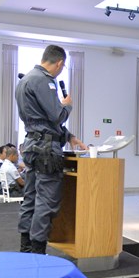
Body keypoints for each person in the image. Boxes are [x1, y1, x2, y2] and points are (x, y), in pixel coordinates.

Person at [15, 45, 85, 254]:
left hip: (32, 145)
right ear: (59, 63)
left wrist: (70, 137)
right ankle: (38, 251)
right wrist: (68, 105)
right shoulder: (44, 80)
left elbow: (41, 121)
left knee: (31, 198)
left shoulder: (26, 79)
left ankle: (26, 249)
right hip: (46, 150)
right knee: (46, 201)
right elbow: (56, 116)